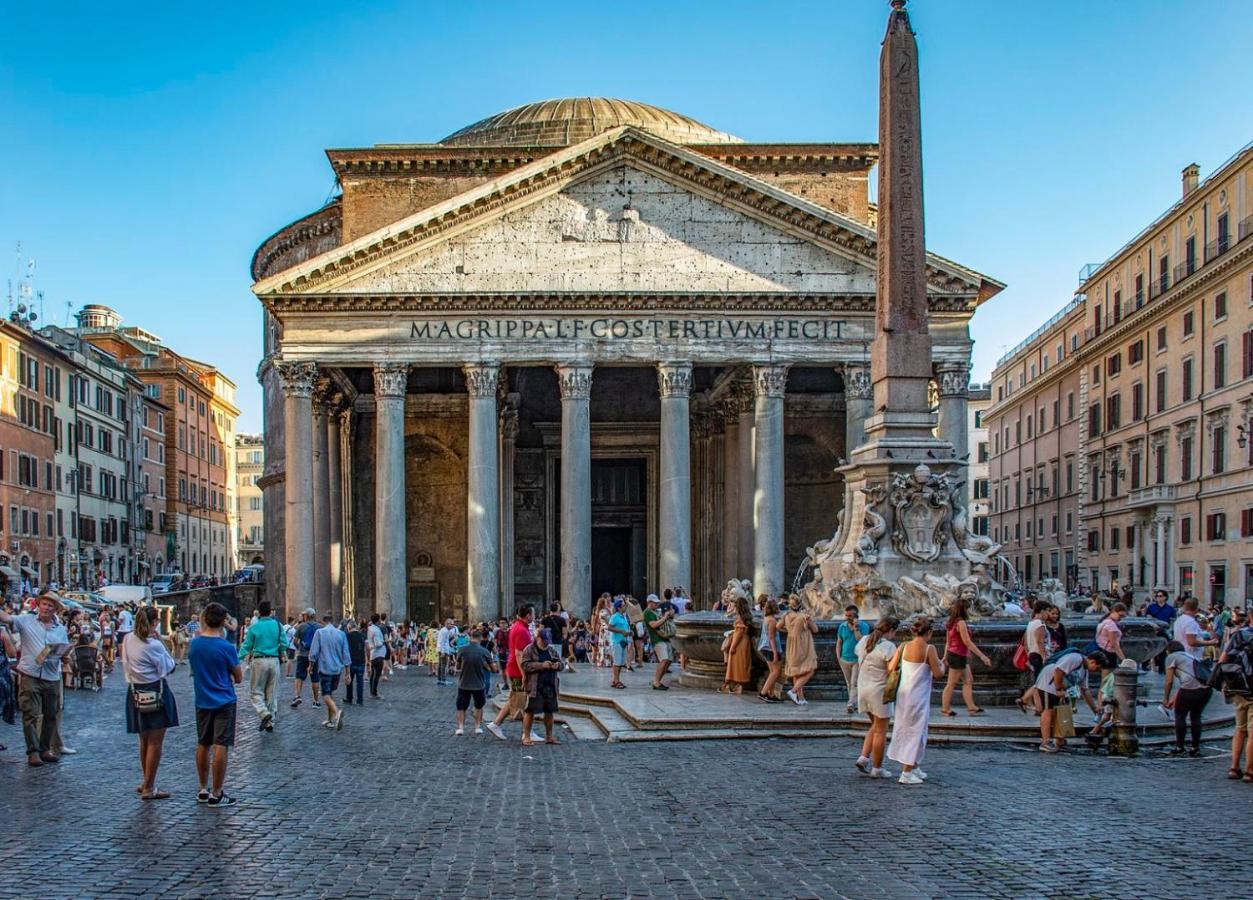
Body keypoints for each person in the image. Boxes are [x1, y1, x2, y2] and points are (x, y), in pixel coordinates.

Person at [1, 593, 71, 767]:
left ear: (55, 609)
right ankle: (33, 752)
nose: (47, 608)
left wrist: (64, 657)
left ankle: (45, 748)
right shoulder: (26, 621)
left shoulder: (60, 629)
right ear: (38, 605)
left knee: (50, 715)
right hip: (30, 673)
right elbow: (6, 618)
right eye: (44, 604)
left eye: (51, 605)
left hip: (51, 675)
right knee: (30, 714)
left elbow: (64, 651)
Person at [187, 602, 243, 807]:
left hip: (202, 699)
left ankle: (203, 788)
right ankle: (217, 792)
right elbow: (238, 677)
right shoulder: (226, 647)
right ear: (222, 622)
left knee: (203, 743)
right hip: (224, 700)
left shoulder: (195, 644)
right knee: (221, 745)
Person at [122, 606, 178, 799]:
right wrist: (161, 642)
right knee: (155, 742)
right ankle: (149, 787)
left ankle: (146, 780)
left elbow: (125, 663)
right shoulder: (152, 645)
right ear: (154, 623)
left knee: (143, 739)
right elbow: (168, 667)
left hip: (135, 690)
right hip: (155, 690)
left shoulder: (128, 639)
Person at [886, 617, 945, 784]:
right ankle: (906, 773)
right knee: (916, 731)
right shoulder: (929, 648)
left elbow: (890, 667)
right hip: (918, 696)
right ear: (929, 633)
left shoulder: (903, 646)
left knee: (911, 729)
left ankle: (914, 765)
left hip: (904, 694)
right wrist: (942, 665)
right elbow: (938, 673)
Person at [855, 616, 900, 778]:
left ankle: (863, 757)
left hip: (863, 688)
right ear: (891, 631)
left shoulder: (865, 640)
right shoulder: (889, 646)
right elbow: (891, 669)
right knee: (881, 730)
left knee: (874, 726)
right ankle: (877, 768)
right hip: (879, 691)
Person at [1036, 649, 1101, 753]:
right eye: (1097, 668)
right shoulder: (1075, 658)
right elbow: (1058, 670)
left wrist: (1095, 709)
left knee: (1063, 712)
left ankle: (1060, 742)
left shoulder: (1084, 670)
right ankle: (1045, 742)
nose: (1096, 671)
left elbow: (1085, 690)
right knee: (1048, 710)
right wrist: (1058, 689)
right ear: (1092, 661)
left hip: (1062, 687)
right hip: (1048, 682)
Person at [238, 600, 288, 733]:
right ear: (271, 611)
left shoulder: (254, 627)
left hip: (259, 660)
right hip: (274, 660)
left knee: (256, 692)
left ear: (259, 612)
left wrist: (237, 659)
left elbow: (246, 646)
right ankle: (270, 722)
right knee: (272, 692)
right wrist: (281, 650)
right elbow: (284, 643)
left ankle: (263, 712)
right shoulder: (278, 625)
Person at [487, 605, 535, 741]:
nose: (534, 616)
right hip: (518, 671)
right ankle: (527, 733)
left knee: (515, 697)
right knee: (523, 700)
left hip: (514, 669)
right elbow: (519, 654)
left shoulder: (517, 627)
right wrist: (524, 673)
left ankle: (496, 724)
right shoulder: (521, 630)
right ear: (527, 616)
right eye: (533, 614)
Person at [939, 592, 991, 717]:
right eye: (968, 609)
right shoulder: (961, 623)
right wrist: (982, 656)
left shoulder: (951, 623)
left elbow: (948, 642)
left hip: (955, 654)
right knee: (951, 683)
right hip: (958, 655)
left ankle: (971, 707)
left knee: (968, 680)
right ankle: (945, 708)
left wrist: (946, 656)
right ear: (964, 610)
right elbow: (967, 641)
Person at [1163, 639, 1213, 757]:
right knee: (1196, 716)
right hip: (1206, 689)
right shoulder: (1191, 656)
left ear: (1168, 650)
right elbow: (1189, 679)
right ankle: (1195, 748)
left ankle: (1180, 746)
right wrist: (1175, 698)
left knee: (1180, 715)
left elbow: (1169, 681)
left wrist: (1165, 698)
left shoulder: (1171, 657)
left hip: (1190, 689)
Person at [520, 627, 562, 746]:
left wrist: (557, 665)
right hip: (535, 685)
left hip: (550, 685)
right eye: (544, 640)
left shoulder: (551, 650)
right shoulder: (529, 649)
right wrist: (541, 665)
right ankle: (526, 736)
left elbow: (562, 664)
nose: (546, 643)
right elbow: (525, 665)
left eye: (547, 641)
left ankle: (549, 736)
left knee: (550, 711)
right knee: (530, 711)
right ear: (538, 638)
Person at [309, 613, 349, 731]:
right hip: (337, 669)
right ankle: (330, 720)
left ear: (323, 621)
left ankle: (336, 714)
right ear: (332, 621)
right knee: (330, 693)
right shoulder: (341, 634)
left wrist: (311, 666)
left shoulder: (320, 633)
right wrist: (348, 673)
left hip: (325, 668)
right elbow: (346, 654)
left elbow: (314, 652)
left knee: (325, 694)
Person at [454, 627, 498, 736]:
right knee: (479, 706)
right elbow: (494, 669)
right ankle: (477, 727)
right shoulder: (485, 651)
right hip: (479, 683)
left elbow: (458, 666)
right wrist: (485, 665)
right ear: (480, 639)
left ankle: (460, 728)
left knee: (461, 706)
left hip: (464, 682)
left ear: (470, 638)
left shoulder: (462, 650)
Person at [1016, 601, 1052, 715]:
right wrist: (1044, 657)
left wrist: (1028, 654)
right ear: (1042, 611)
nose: (1048, 614)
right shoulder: (1039, 624)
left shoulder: (1030, 623)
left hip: (1032, 654)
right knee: (1040, 682)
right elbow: (1040, 641)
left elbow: (1026, 643)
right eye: (1048, 611)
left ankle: (1038, 707)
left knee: (1038, 681)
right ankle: (1024, 700)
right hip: (1038, 654)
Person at [780, 599, 818, 705]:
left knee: (796, 672)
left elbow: (778, 626)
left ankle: (800, 698)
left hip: (791, 645)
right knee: (810, 670)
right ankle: (793, 691)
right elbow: (815, 630)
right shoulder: (804, 616)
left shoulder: (786, 616)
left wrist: (789, 631)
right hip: (803, 646)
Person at [835, 605, 871, 714]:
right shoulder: (842, 626)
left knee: (854, 682)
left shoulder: (864, 626)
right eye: (846, 615)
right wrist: (838, 656)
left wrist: (856, 628)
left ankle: (851, 703)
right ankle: (855, 702)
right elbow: (839, 641)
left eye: (850, 616)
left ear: (856, 616)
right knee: (849, 682)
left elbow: (861, 640)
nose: (847, 617)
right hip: (844, 659)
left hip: (857, 658)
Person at [719, 594, 754, 695]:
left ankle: (735, 686)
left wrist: (733, 647)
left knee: (736, 665)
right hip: (745, 642)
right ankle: (739, 686)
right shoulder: (747, 617)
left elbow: (738, 634)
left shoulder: (739, 618)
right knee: (743, 664)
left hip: (739, 644)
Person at [643, 594, 676, 690]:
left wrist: (669, 615)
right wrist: (665, 617)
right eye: (655, 603)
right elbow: (653, 625)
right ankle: (656, 682)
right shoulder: (647, 613)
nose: (657, 604)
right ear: (649, 602)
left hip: (665, 638)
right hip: (657, 639)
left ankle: (658, 681)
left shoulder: (655, 611)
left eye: (657, 603)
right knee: (664, 660)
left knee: (669, 660)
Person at [290, 609, 321, 708]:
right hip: (314, 656)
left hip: (302, 655)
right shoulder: (320, 627)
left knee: (299, 676)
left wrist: (300, 648)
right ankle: (316, 701)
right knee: (315, 678)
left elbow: (295, 641)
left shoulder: (301, 626)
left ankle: (298, 696)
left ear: (306, 616)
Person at [756, 598, 783, 702]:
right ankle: (763, 693)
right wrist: (775, 652)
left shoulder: (767, 618)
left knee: (773, 671)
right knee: (776, 672)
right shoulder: (771, 620)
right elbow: (771, 637)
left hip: (765, 647)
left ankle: (771, 694)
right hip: (770, 648)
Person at [606, 599, 632, 689]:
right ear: (619, 607)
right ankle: (616, 680)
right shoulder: (615, 616)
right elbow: (609, 627)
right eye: (624, 605)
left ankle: (616, 679)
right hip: (616, 642)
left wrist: (628, 632)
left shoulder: (623, 616)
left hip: (623, 642)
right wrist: (621, 631)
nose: (625, 606)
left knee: (621, 662)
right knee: (617, 662)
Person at [541, 603, 572, 673]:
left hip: (547, 643)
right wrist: (563, 640)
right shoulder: (561, 620)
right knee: (556, 661)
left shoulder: (545, 619)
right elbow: (565, 633)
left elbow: (541, 631)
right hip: (558, 642)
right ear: (558, 609)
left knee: (548, 660)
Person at [343, 619, 367, 705]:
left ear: (349, 627)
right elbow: (364, 649)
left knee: (349, 680)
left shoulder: (347, 636)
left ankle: (349, 698)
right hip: (361, 661)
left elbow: (345, 650)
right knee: (360, 682)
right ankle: (360, 700)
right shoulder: (362, 636)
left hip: (351, 661)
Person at [1096, 602, 1127, 667]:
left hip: (1103, 651)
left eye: (1123, 616)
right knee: (1108, 675)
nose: (1121, 618)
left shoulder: (1105, 621)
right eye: (1120, 615)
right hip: (1109, 654)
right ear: (1113, 611)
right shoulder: (1111, 625)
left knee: (1106, 675)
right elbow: (1114, 644)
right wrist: (1123, 659)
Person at [367, 614, 387, 698]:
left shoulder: (370, 628)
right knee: (377, 674)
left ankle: (372, 691)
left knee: (372, 674)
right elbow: (378, 643)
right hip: (378, 654)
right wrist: (384, 641)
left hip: (373, 654)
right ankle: (374, 692)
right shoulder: (375, 630)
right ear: (378, 620)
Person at [623, 594, 645, 670]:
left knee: (636, 645)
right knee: (633, 645)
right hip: (631, 626)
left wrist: (628, 602)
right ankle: (634, 661)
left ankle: (638, 662)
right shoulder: (627, 606)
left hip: (634, 626)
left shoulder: (632, 605)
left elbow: (635, 610)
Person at [435, 618, 454, 686]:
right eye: (451, 624)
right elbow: (442, 642)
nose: (453, 625)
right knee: (443, 665)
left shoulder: (444, 630)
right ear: (447, 624)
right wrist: (443, 652)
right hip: (443, 650)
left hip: (441, 649)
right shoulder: (445, 631)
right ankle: (443, 680)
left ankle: (440, 679)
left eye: (453, 624)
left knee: (441, 665)